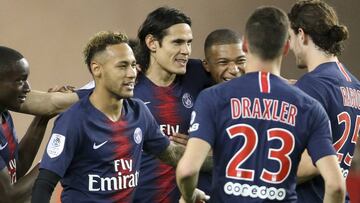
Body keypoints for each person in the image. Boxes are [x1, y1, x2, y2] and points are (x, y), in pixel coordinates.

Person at [176, 6, 345, 203]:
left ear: (246, 45)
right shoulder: (309, 106)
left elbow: (187, 171)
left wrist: (189, 196)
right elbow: (336, 185)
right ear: (286, 47)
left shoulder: (212, 98)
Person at [30, 31, 200, 203]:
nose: (132, 73)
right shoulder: (73, 120)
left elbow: (171, 154)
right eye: (122, 66)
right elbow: (44, 185)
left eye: (133, 65)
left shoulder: (139, 112)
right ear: (97, 69)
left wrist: (216, 159)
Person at [287, 0, 360, 202]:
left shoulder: (312, 85)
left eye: (291, 38)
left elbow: (306, 164)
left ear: (301, 35)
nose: (291, 46)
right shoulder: (353, 83)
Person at [0, 46, 50, 202]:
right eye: (20, 80)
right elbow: (8, 197)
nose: (28, 88)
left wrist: (43, 117)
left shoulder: (4, 115)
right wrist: (55, 160)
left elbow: (17, 167)